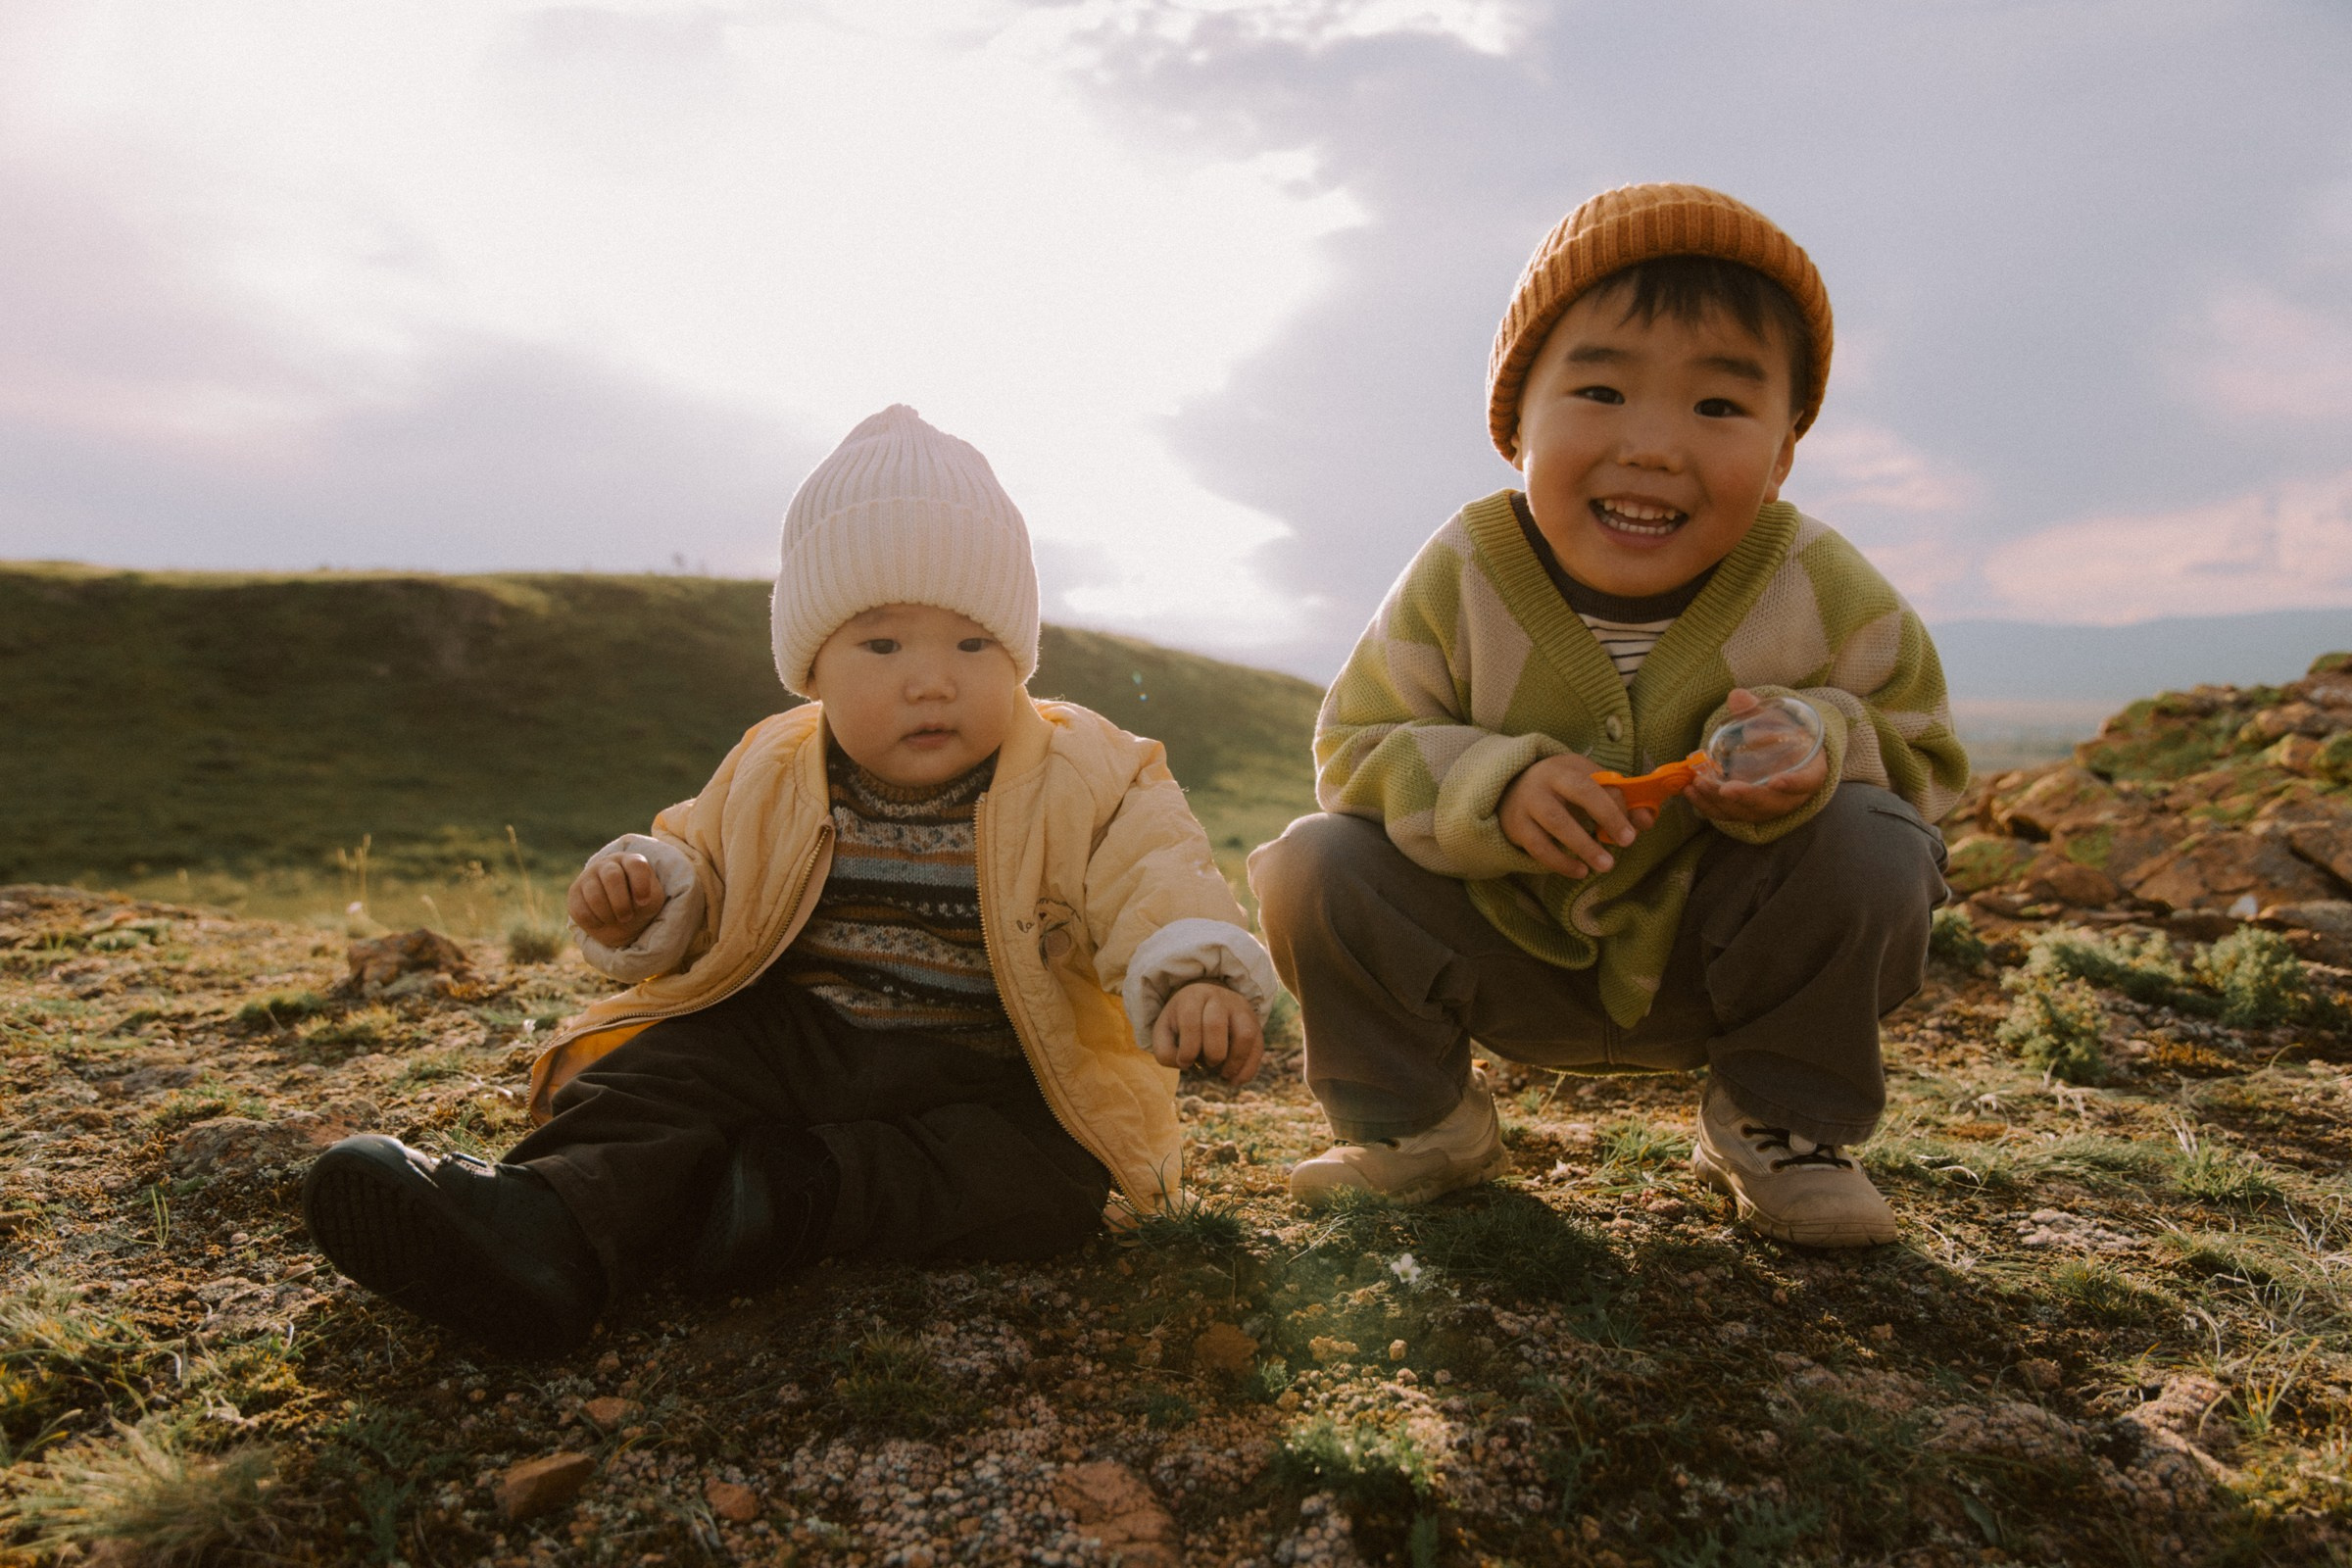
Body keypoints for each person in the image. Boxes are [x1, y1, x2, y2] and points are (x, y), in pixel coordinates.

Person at [302, 406, 1277, 1354]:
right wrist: (651, 885)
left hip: (1003, 1061)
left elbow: (1157, 870)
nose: (932, 678)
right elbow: (703, 868)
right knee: (666, 1068)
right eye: (883, 643)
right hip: (801, 1040)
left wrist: (1191, 970)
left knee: (1049, 1178)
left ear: (1018, 655)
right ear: (813, 667)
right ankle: (546, 1224)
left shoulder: (1085, 769)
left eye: (973, 643)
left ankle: (788, 1195)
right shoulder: (772, 764)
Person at [1250, 183, 1967, 1248]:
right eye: (1600, 391)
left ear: (1781, 453)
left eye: (1719, 407)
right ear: (1515, 426)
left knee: (1875, 843)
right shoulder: (1463, 573)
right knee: (1314, 862)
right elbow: (1354, 751)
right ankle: (1418, 1122)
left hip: (1716, 963)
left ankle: (1779, 1121)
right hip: (1505, 950)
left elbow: (1926, 755)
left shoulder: (1818, 581)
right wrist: (1488, 786)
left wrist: (1822, 746)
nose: (1654, 445)